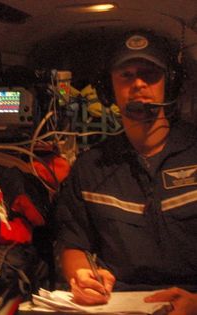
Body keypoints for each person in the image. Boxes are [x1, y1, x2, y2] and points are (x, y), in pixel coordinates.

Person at [55, 30, 197, 315]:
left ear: (169, 85)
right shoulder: (90, 167)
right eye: (126, 76)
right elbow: (73, 243)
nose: (139, 84)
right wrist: (83, 276)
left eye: (149, 74)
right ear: (109, 90)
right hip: (119, 303)